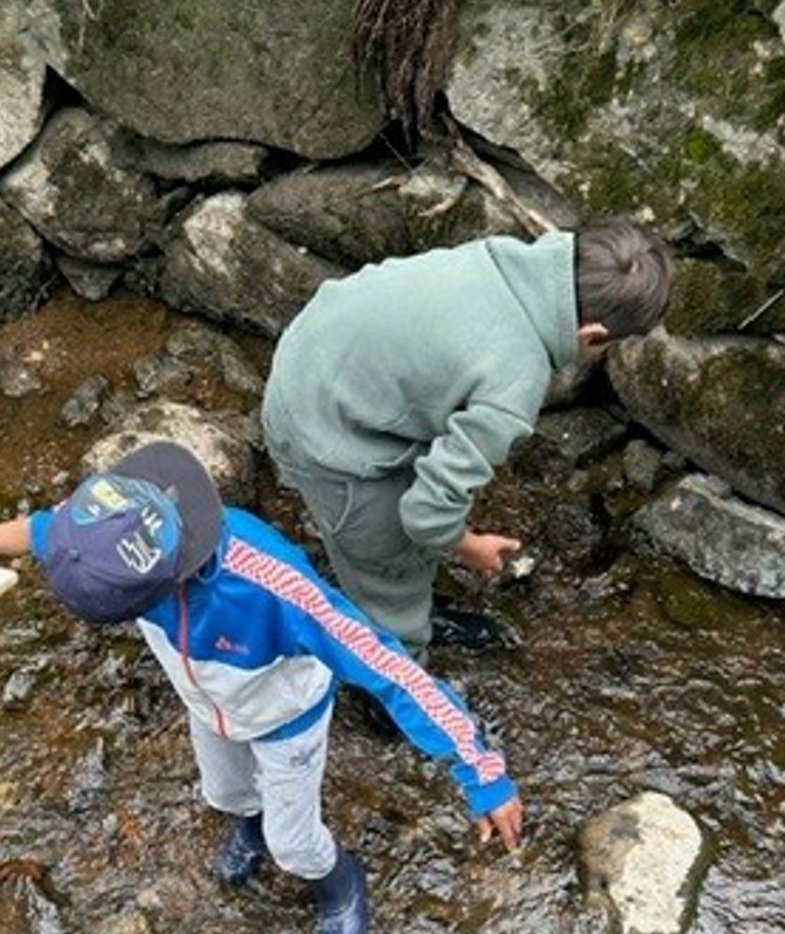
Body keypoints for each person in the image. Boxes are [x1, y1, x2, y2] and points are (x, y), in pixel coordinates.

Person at [0, 441, 523, 934]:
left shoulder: (271, 586)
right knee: (222, 795)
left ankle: (338, 878)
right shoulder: (111, 528)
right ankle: (246, 821)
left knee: (292, 843)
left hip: (285, 719)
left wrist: (481, 771)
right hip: (210, 704)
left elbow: (387, 666)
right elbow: (42, 531)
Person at [262, 217, 673, 657]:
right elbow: (424, 514)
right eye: (602, 348)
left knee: (407, 541)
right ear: (592, 334)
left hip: (313, 360)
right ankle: (396, 681)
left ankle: (411, 606)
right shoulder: (514, 379)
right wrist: (468, 547)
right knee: (387, 572)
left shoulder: (499, 259)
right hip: (324, 438)